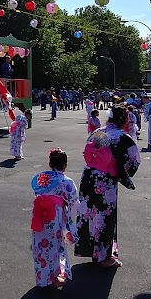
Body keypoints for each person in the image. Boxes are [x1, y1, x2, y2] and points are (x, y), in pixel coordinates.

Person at [73, 105, 141, 269]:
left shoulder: (98, 132)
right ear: (124, 120)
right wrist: (121, 173)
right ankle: (104, 256)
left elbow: (87, 152)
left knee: (89, 214)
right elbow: (134, 160)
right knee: (105, 216)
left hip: (88, 176)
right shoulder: (122, 137)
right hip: (105, 180)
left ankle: (89, 249)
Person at [30, 148, 79, 288]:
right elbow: (74, 201)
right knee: (53, 245)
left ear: (50, 163)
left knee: (40, 245)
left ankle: (41, 278)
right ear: (65, 165)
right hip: (54, 216)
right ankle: (54, 278)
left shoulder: (42, 179)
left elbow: (36, 192)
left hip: (39, 213)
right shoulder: (65, 181)